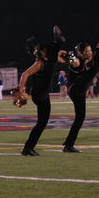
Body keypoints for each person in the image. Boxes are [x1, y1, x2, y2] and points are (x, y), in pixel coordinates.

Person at [61, 33, 99, 152]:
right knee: (93, 70)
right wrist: (70, 55)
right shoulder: (78, 61)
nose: (89, 53)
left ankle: (69, 144)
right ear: (80, 53)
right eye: (86, 51)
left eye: (90, 50)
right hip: (75, 89)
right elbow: (73, 61)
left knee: (80, 117)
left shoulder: (86, 61)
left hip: (80, 91)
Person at [18, 26, 65, 156]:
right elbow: (25, 74)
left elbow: (68, 61)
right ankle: (28, 148)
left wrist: (73, 58)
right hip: (39, 93)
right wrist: (20, 91)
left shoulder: (50, 59)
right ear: (45, 52)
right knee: (42, 122)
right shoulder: (39, 63)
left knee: (42, 123)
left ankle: (28, 148)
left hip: (44, 94)